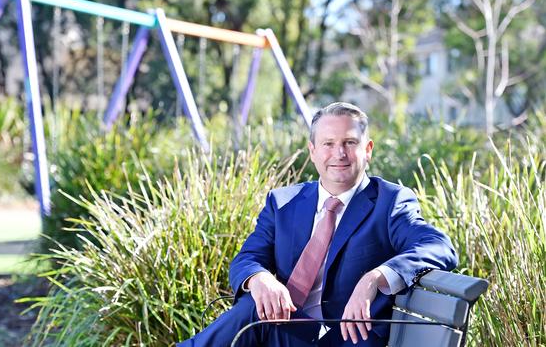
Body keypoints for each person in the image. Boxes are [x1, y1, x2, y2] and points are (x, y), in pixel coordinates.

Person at [179, 102, 458, 346]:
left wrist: (375, 278)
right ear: (312, 151)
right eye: (328, 143)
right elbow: (248, 258)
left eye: (350, 142)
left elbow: (439, 247)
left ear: (368, 149)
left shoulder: (390, 203)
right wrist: (260, 278)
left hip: (346, 338)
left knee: (251, 311)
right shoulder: (283, 203)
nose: (339, 154)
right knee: (255, 304)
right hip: (288, 332)